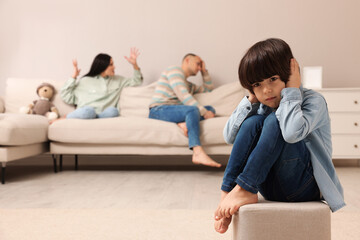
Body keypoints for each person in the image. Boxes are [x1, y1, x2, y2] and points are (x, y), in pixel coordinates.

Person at [214, 38, 345, 234]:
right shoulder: (261, 103)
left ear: (289, 74)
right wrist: (251, 99)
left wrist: (292, 91)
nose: (266, 90)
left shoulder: (313, 101)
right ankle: (229, 191)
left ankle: (245, 189)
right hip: (271, 187)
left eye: (273, 79)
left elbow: (292, 134)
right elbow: (229, 137)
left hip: (305, 187)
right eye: (257, 84)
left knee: (276, 120)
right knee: (252, 122)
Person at [149, 53, 221, 168]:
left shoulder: (188, 84)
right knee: (193, 110)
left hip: (174, 111)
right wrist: (202, 112)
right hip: (158, 110)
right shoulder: (174, 70)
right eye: (198, 64)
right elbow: (183, 96)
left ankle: (182, 122)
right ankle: (197, 151)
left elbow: (208, 89)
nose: (199, 67)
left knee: (210, 109)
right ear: (187, 60)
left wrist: (204, 71)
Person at [61, 48, 143, 119]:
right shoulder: (85, 81)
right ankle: (68, 117)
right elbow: (66, 96)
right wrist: (73, 77)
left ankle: (95, 117)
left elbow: (137, 81)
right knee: (89, 111)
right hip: (86, 113)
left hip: (103, 115)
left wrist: (135, 65)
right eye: (111, 64)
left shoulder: (118, 80)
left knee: (113, 111)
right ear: (103, 66)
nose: (114, 67)